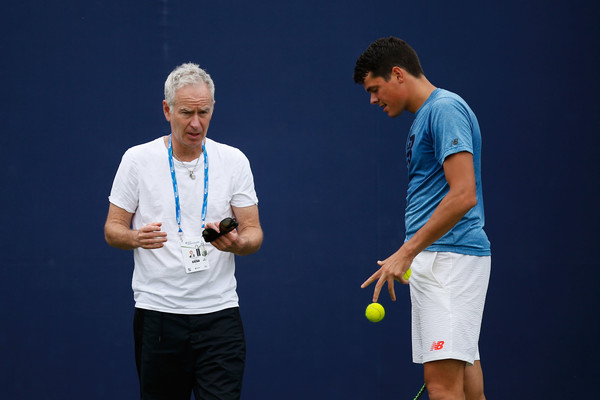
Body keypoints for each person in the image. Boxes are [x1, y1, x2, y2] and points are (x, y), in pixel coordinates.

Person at [104, 63, 263, 400]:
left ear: (213, 109)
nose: (196, 123)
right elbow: (112, 229)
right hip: (159, 315)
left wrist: (237, 244)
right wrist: (136, 238)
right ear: (167, 110)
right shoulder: (137, 159)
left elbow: (253, 233)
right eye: (187, 112)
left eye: (203, 112)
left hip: (219, 314)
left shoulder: (233, 160)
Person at [354, 37, 491, 400]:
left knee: (442, 385)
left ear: (397, 74)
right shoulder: (428, 116)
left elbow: (463, 194)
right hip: (444, 258)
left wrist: (406, 252)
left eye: (375, 88)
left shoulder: (444, 109)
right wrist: (413, 252)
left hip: (451, 259)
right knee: (464, 367)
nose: (372, 100)